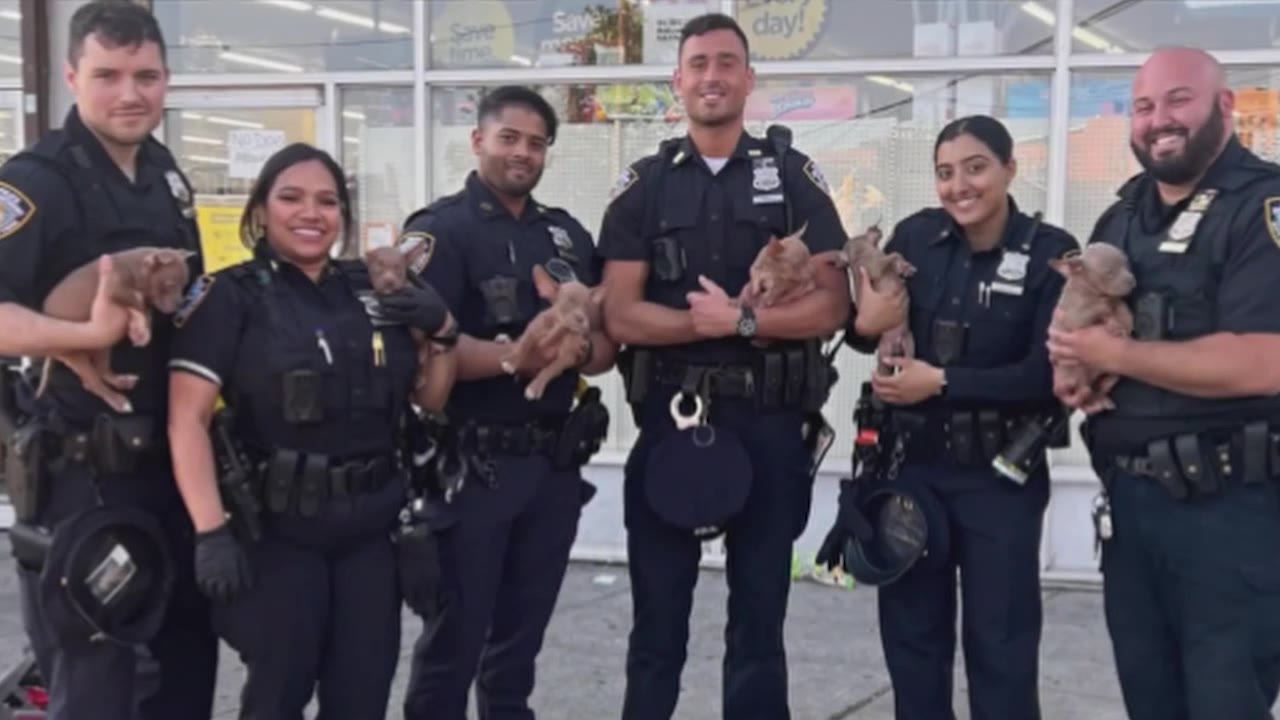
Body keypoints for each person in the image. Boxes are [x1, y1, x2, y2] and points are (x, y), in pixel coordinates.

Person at [597, 14, 850, 720]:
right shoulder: (645, 184)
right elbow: (619, 313)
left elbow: (833, 304)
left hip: (770, 422)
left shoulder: (792, 176)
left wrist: (743, 321)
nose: (712, 76)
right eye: (698, 63)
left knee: (759, 626)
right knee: (657, 625)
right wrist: (694, 324)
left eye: (727, 63)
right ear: (677, 80)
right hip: (674, 420)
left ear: (748, 78)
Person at [165, 142, 456, 717]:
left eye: (327, 201)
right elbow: (187, 419)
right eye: (291, 197)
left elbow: (429, 396)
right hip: (279, 533)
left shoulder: (372, 291)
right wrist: (210, 533)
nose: (310, 213)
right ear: (261, 211)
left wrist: (443, 330)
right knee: (279, 693)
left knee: (363, 695)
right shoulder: (230, 296)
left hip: (371, 531)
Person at [0, 3, 219, 718]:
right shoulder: (33, 182)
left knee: (184, 676)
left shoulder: (164, 172)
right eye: (108, 75)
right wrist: (75, 336)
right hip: (84, 479)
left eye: (147, 76)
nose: (131, 93)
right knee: (99, 687)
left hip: (173, 468)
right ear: (71, 77)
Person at [1048, 47, 1280, 720]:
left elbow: (1263, 361)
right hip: (1133, 507)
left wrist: (1114, 353)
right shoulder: (1121, 218)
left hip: (1231, 513)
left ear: (1225, 106)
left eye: (1178, 99)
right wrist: (1075, 367)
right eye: (1144, 106)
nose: (1158, 120)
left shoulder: (1261, 206)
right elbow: (1084, 319)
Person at [825, 115, 1079, 720]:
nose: (959, 185)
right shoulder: (915, 239)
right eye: (945, 172)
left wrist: (940, 381)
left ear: (1010, 170)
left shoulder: (1050, 254)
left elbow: (1048, 377)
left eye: (975, 168)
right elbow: (864, 332)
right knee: (914, 647)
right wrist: (870, 332)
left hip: (1000, 480)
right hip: (913, 471)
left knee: (1003, 647)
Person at [400, 85, 617, 720]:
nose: (523, 153)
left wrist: (574, 352)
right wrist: (512, 357)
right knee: (454, 646)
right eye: (509, 138)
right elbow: (422, 356)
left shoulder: (567, 236)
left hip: (551, 471)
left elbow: (606, 347)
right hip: (473, 470)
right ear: (478, 141)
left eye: (536, 142)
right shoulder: (441, 232)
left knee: (517, 654)